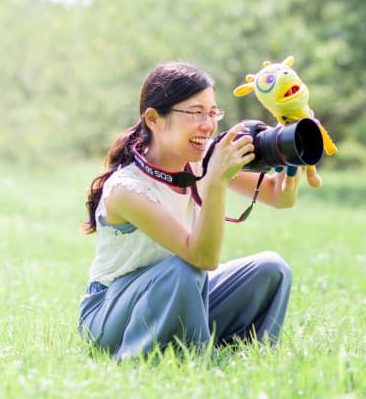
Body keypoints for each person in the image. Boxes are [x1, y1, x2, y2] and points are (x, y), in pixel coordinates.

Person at [78, 62, 298, 361]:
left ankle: (251, 356)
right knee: (183, 268)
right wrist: (215, 183)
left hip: (180, 287)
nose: (208, 125)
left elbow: (278, 196)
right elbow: (202, 257)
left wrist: (292, 154)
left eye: (212, 112)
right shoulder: (126, 189)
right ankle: (193, 361)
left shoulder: (199, 159)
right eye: (196, 113)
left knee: (271, 268)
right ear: (154, 119)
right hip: (111, 313)